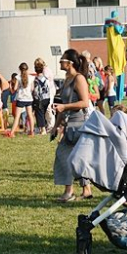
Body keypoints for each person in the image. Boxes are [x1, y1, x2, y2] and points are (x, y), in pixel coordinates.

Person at [53, 49, 93, 202]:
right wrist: (56, 126)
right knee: (71, 157)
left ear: (70, 63)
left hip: (79, 124)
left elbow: (84, 102)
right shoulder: (67, 79)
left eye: (62, 60)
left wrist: (65, 108)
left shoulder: (79, 78)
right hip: (69, 124)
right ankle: (85, 190)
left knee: (70, 156)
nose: (60, 62)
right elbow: (63, 105)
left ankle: (70, 192)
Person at [7, 62, 35, 137]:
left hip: (21, 98)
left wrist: (18, 87)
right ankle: (31, 132)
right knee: (30, 115)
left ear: (20, 69)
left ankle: (12, 133)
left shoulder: (18, 77)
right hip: (29, 99)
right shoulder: (31, 77)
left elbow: (15, 88)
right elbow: (32, 89)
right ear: (27, 69)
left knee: (17, 116)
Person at [33, 60, 52, 135]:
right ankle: (43, 127)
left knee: (39, 113)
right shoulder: (46, 78)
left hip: (40, 99)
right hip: (47, 98)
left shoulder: (36, 80)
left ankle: (43, 129)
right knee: (43, 112)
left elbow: (35, 90)